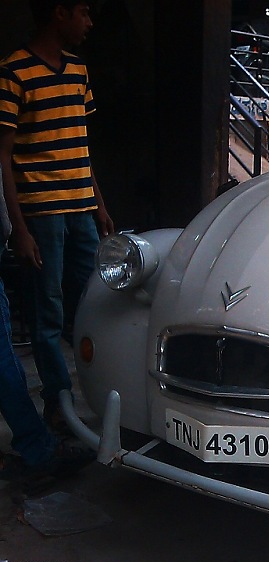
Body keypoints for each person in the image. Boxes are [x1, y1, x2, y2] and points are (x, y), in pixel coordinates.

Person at [0, 0, 114, 434]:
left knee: (96, 304)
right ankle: (57, 404)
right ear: (59, 13)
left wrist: (98, 204)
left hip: (81, 211)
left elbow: (81, 147)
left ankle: (102, 393)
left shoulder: (78, 71)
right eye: (84, 13)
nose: (89, 22)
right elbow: (3, 157)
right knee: (47, 315)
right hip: (41, 218)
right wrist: (19, 229)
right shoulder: (13, 72)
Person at [0, 170, 95, 481]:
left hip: (70, 205)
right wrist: (17, 230)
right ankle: (38, 449)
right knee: (4, 359)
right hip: (40, 208)